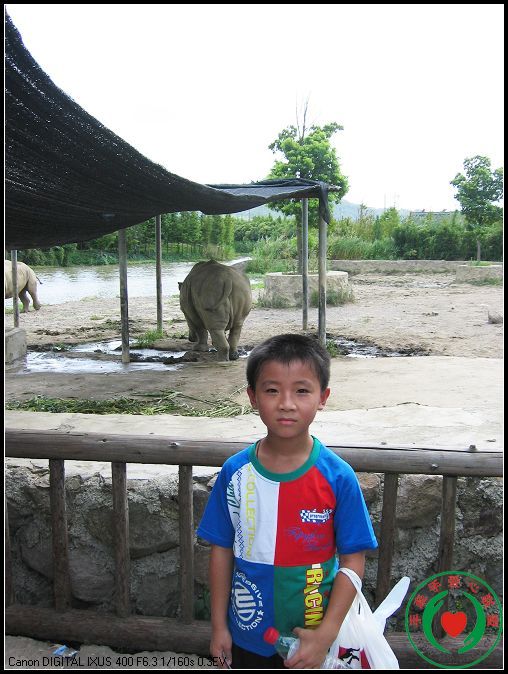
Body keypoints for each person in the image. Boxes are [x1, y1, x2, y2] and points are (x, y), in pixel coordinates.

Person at [197, 334, 378, 669]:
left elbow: (353, 560)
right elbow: (221, 549)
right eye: (272, 390)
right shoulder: (235, 473)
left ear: (323, 397)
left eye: (302, 390)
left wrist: (325, 634)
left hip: (315, 637)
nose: (286, 403)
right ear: (253, 397)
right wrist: (219, 626)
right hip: (247, 634)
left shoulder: (338, 477)